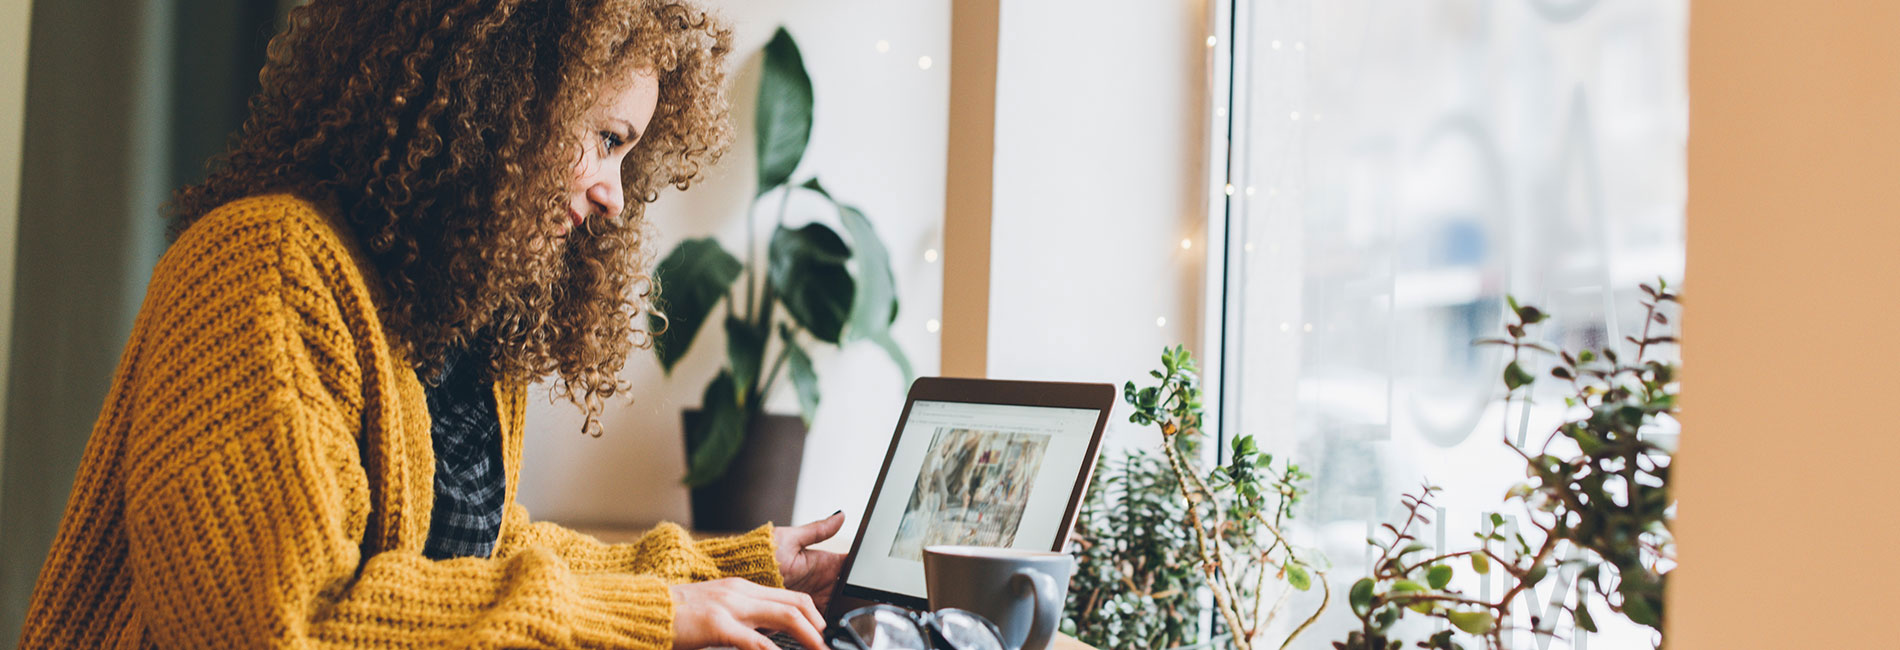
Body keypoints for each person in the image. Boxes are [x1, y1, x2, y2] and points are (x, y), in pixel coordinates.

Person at [17, 1, 845, 648]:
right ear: (502, 100)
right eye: (603, 137)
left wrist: (737, 569)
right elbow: (289, 626)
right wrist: (657, 614)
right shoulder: (262, 266)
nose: (613, 195)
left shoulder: (450, 312)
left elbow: (481, 565)